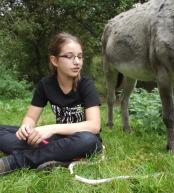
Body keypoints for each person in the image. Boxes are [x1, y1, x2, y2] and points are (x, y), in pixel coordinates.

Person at [0, 32, 102, 175]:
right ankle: (56, 158)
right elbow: (30, 118)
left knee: (87, 140)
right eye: (70, 56)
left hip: (81, 141)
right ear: (54, 60)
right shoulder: (45, 85)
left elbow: (94, 126)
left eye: (80, 56)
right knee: (3, 131)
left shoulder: (86, 85)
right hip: (56, 141)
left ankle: (15, 162)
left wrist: (51, 129)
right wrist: (26, 128)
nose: (77, 62)